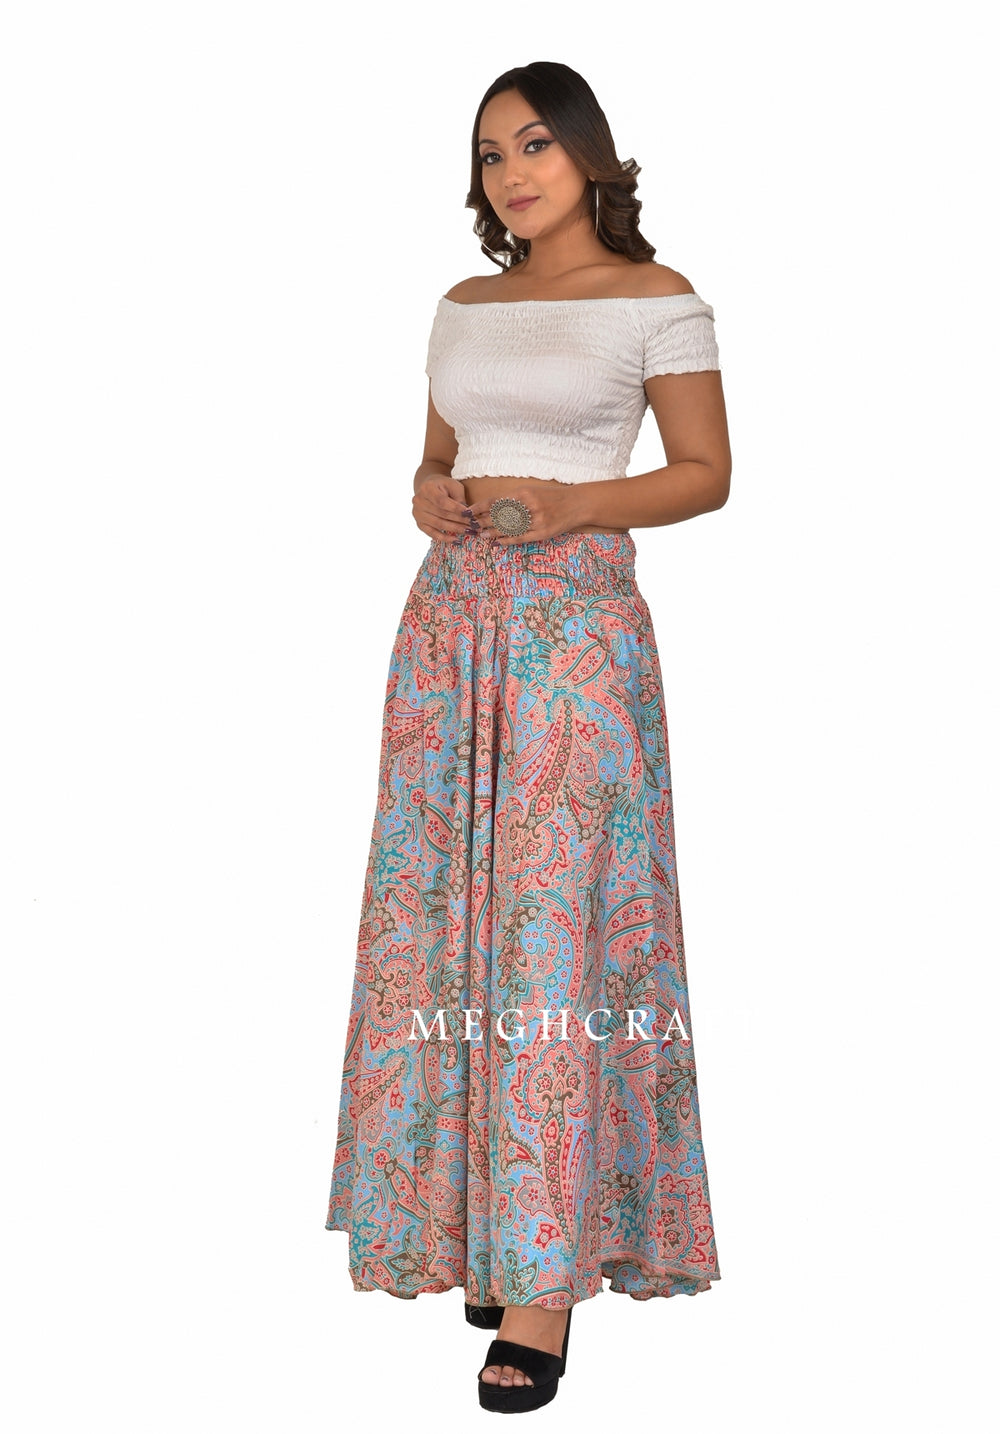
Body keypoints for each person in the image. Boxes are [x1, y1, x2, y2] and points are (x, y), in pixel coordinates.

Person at [323, 59, 731, 1413]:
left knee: (555, 931)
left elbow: (707, 472)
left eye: (536, 144)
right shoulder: (464, 304)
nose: (511, 172)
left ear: (591, 156)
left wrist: (568, 507)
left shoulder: (657, 299)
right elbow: (436, 458)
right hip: (448, 632)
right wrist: (429, 491)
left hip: (574, 635)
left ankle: (542, 1285)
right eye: (492, 153)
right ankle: (474, 1229)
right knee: (442, 926)